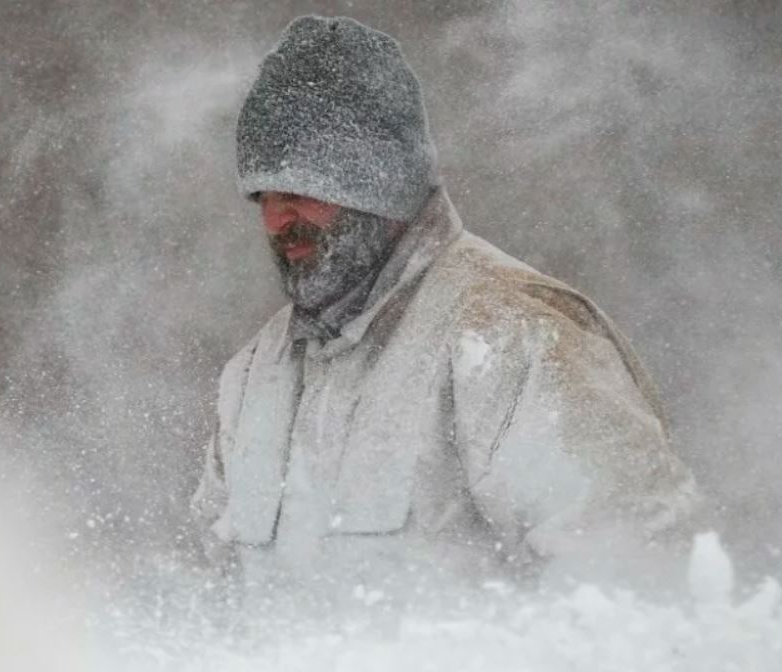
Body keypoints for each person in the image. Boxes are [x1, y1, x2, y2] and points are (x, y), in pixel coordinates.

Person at [192, 15, 697, 607]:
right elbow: (214, 604)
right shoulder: (255, 376)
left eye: (300, 190)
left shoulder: (507, 335)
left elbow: (632, 585)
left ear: (375, 182)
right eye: (266, 197)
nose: (279, 221)